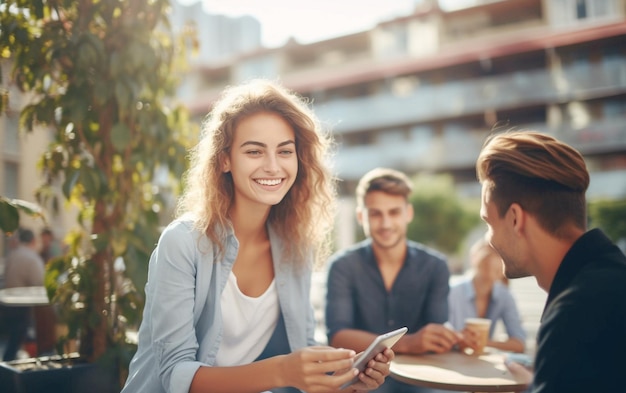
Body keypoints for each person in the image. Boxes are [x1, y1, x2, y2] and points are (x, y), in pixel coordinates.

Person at [121, 79, 393, 393]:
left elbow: (302, 350)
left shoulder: (295, 247)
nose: (273, 166)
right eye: (254, 151)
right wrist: (282, 371)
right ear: (225, 160)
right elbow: (175, 375)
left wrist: (349, 378)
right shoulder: (182, 242)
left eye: (285, 151)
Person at [476, 130, 626, 392]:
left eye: (489, 223)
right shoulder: (609, 280)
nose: (488, 240)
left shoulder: (573, 317)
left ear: (515, 219)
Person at [325, 167, 460, 393]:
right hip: (362, 378)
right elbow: (338, 335)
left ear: (408, 213)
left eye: (394, 212)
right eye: (375, 214)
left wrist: (446, 338)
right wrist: (408, 342)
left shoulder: (435, 266)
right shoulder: (342, 266)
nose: (385, 223)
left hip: (420, 378)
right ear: (361, 216)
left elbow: (435, 334)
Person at [448, 236, 526, 353]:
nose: (495, 261)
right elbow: (442, 334)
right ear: (473, 259)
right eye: (489, 254)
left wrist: (484, 342)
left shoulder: (504, 295)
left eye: (500, 256)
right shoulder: (452, 291)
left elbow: (519, 343)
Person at [2, 227, 46, 361]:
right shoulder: (31, 257)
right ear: (33, 240)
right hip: (23, 305)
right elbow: (40, 282)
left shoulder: (12, 254)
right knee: (20, 339)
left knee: (13, 341)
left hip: (7, 304)